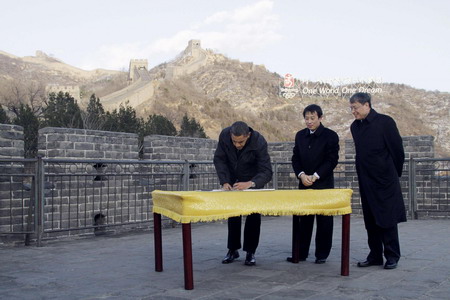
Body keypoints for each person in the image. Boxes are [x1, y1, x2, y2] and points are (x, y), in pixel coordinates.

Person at [349, 92, 406, 270]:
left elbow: (397, 151)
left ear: (367, 105)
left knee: (387, 218)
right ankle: (374, 255)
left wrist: (391, 175)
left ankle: (392, 255)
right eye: (351, 108)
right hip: (366, 181)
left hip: (385, 180)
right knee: (370, 219)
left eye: (356, 107)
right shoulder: (355, 127)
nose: (353, 111)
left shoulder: (385, 122)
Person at [213, 121, 273, 266]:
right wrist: (225, 181)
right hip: (233, 181)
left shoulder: (259, 141)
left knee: (253, 217)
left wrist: (251, 183)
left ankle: (250, 252)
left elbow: (266, 171)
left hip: (251, 182)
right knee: (233, 215)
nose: (237, 145)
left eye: (241, 142)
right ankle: (232, 249)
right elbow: (219, 159)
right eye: (234, 141)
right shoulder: (224, 135)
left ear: (248, 135)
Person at [289, 104, 339, 264]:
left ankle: (322, 254)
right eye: (306, 118)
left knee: (324, 220)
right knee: (304, 220)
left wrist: (316, 176)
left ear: (320, 118)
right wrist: (301, 175)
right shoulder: (300, 136)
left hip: (323, 183)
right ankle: (300, 253)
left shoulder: (330, 136)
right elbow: (295, 158)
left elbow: (332, 160)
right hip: (304, 183)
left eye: (312, 118)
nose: (309, 122)